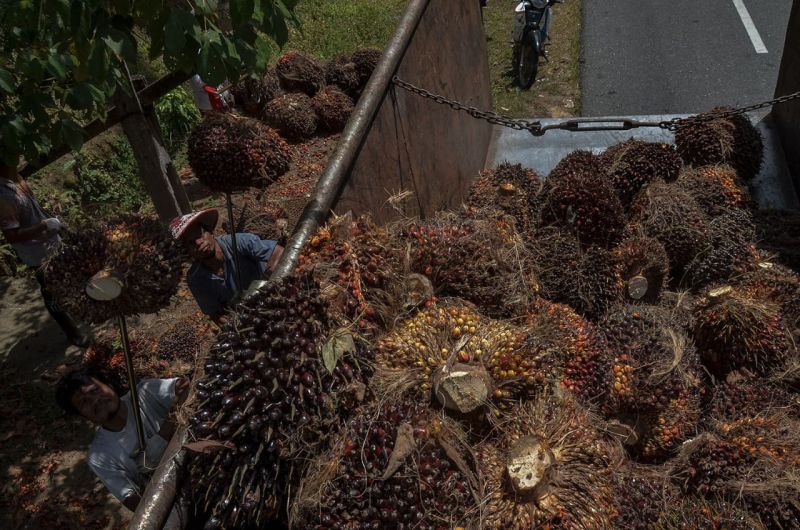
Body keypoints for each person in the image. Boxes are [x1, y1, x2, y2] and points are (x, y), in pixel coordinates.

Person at [55, 368, 189, 511]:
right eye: (84, 402)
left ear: (109, 385)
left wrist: (163, 436)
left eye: (95, 390)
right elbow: (133, 501)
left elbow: (186, 387)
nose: (95, 400)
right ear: (82, 416)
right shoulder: (99, 456)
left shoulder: (145, 392)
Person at [0, 161, 89, 346]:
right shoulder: (3, 197)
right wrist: (43, 226)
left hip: (50, 241)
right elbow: (12, 236)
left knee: (67, 277)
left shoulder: (16, 178)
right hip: (36, 252)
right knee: (50, 291)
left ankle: (78, 312)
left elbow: (33, 209)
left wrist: (52, 223)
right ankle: (72, 333)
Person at [170, 208, 283, 322]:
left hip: (273, 298)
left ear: (210, 231)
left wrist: (261, 290)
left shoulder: (239, 242)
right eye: (191, 242)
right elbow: (215, 314)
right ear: (187, 250)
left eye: (200, 235)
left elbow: (279, 253)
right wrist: (231, 322)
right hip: (247, 317)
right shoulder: (196, 279)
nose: (199, 243)